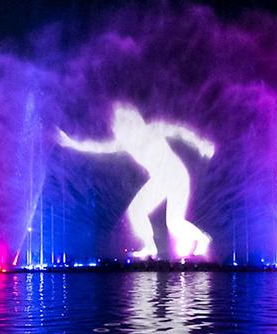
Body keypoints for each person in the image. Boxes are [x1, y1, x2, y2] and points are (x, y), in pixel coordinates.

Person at [57, 103, 215, 258]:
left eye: (127, 122)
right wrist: (72, 144)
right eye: (120, 125)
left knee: (174, 222)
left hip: (176, 176)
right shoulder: (127, 143)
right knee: (137, 211)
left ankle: (202, 239)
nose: (124, 128)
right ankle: (150, 246)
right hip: (160, 179)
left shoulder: (153, 129)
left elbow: (179, 132)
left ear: (136, 121)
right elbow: (99, 148)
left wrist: (200, 143)